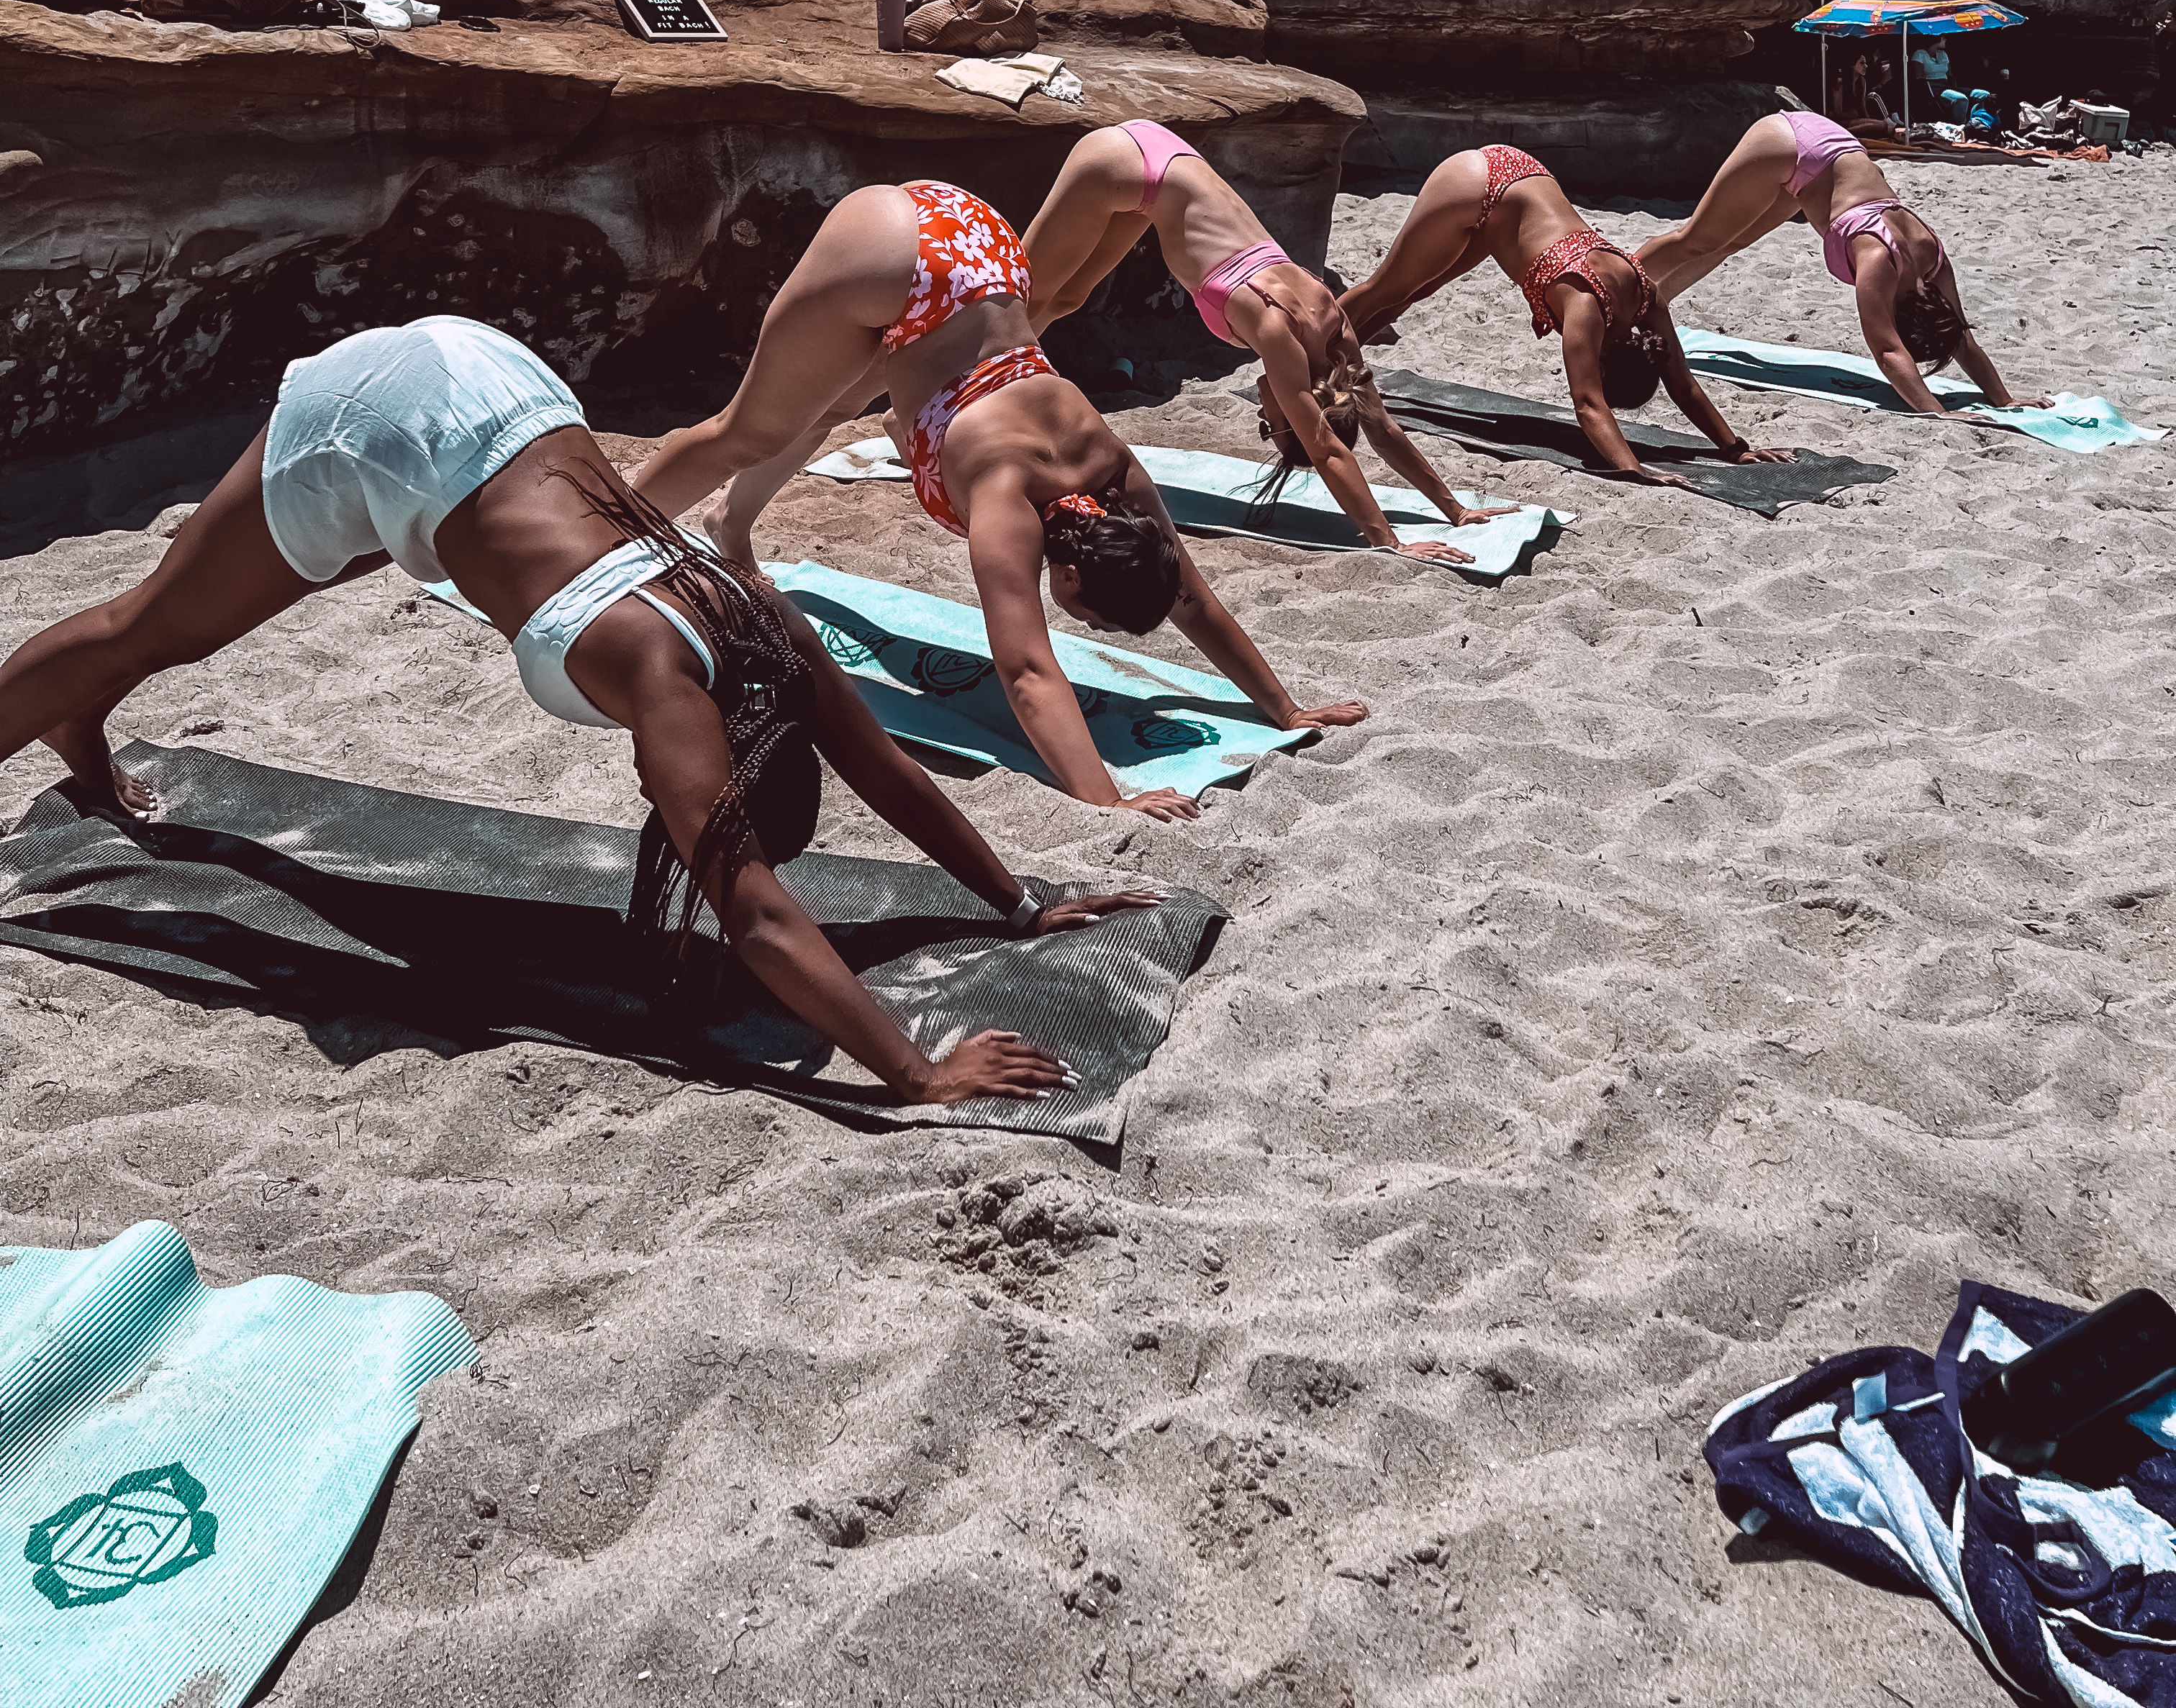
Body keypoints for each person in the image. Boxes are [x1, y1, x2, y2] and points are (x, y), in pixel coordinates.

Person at [0, 317, 1155, 1107]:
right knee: (159, 624)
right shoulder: (667, 681)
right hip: (387, 426)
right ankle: (69, 701)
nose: (704, 829)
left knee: (239, 593)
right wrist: (914, 1071)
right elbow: (754, 917)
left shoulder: (761, 620)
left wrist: (1018, 904)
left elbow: (886, 768)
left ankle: (80, 726)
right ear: (722, 765)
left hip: (496, 390)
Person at [630, 182, 1367, 824]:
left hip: (977, 236)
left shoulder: (1115, 473)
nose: (1084, 626)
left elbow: (1191, 599)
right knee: (745, 430)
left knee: (827, 401)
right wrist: (1106, 799)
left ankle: (731, 525)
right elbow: (1026, 669)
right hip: (898, 258)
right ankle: (601, 529)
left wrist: (1286, 710)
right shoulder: (1008, 501)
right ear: (1071, 578)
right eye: (1092, 619)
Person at [1020, 122, 1514, 558]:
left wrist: (1455, 510)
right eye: (1273, 427)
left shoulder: (1333, 328)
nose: (1262, 419)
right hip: (1124, 160)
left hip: (1158, 165)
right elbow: (1327, 448)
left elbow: (1381, 427)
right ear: (1299, 411)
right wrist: (1390, 541)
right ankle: (972, 395)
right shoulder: (1278, 333)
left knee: (1064, 301)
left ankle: (1003, 389)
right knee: (1014, 300)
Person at [1338, 144, 1792, 484]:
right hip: (1481, 183)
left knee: (1413, 294)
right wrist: (1635, 470)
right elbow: (1588, 402)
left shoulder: (1644, 297)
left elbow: (1682, 381)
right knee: (1387, 287)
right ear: (1604, 358)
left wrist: (1736, 449)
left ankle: (1334, 356)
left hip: (1522, 184)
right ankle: (1309, 345)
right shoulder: (1588, 308)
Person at [1634, 109, 2043, 419]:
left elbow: (1959, 336)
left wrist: (2005, 401)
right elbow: (1887, 349)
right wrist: (1935, 412)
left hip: (1828, 153)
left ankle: (1652, 300)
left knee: (1730, 243)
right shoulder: (1880, 263)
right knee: (1696, 240)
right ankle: (1608, 279)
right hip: (1790, 144)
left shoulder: (1932, 262)